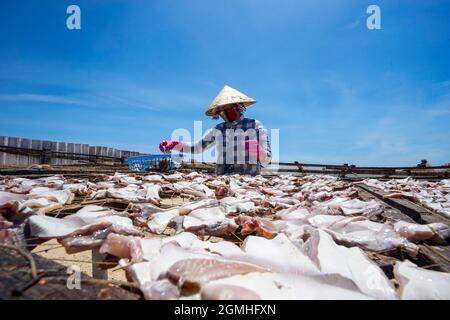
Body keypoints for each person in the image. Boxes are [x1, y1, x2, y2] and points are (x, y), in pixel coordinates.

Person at [159, 85, 271, 175]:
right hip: (222, 180)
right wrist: (175, 145)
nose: (222, 115)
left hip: (248, 182)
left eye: (224, 110)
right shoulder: (219, 129)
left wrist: (259, 151)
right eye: (219, 112)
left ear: (237, 107)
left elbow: (267, 160)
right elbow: (197, 148)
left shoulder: (255, 125)